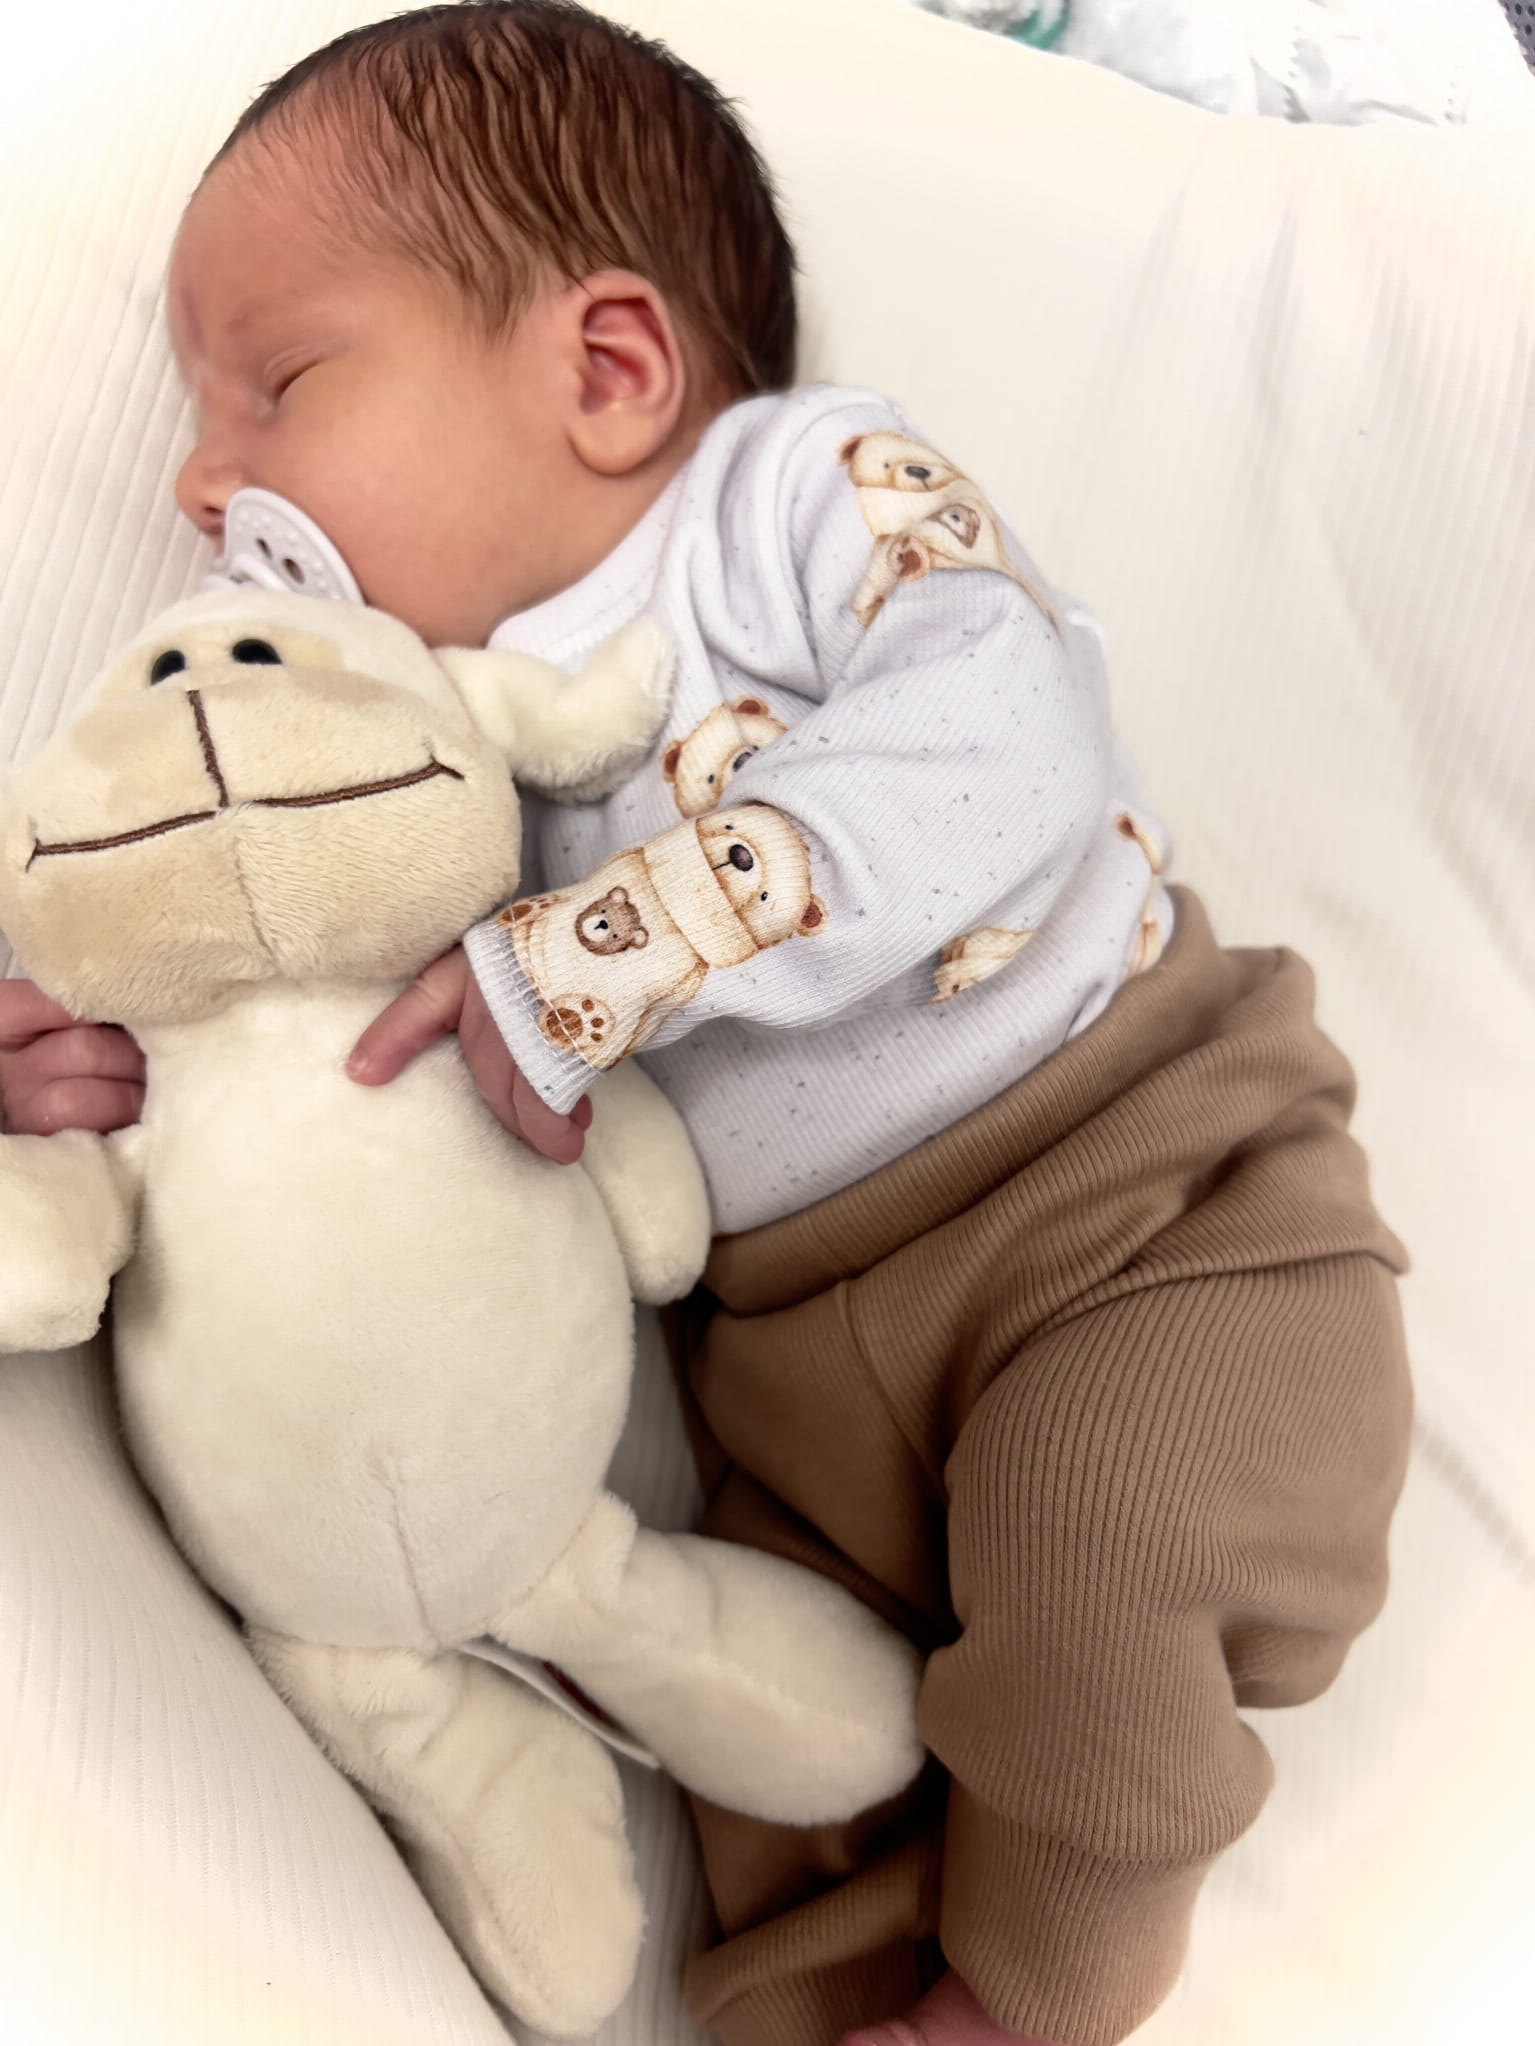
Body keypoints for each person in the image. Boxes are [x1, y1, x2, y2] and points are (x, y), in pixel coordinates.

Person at [0, 6, 1412, 2044]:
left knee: (1102, 1532)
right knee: (777, 1791)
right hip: (795, 1383)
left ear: (609, 369)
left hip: (1138, 1214)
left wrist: (602, 954)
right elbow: (297, 1041)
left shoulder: (800, 496)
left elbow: (997, 729)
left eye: (279, 383)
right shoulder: (415, 750)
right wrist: (79, 1048)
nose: (202, 481)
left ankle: (1038, 1993)